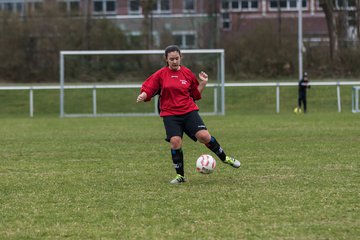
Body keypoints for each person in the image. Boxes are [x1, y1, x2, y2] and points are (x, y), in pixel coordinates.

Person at [136, 45, 240, 184]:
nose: (174, 61)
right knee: (175, 142)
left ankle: (225, 158)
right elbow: (149, 87)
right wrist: (144, 94)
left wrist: (203, 83)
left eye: (177, 58)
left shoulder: (187, 73)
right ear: (166, 59)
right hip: (170, 114)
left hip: (189, 111)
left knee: (204, 136)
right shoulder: (161, 74)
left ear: (181, 58)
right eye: (171, 59)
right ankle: (180, 176)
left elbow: (195, 94)